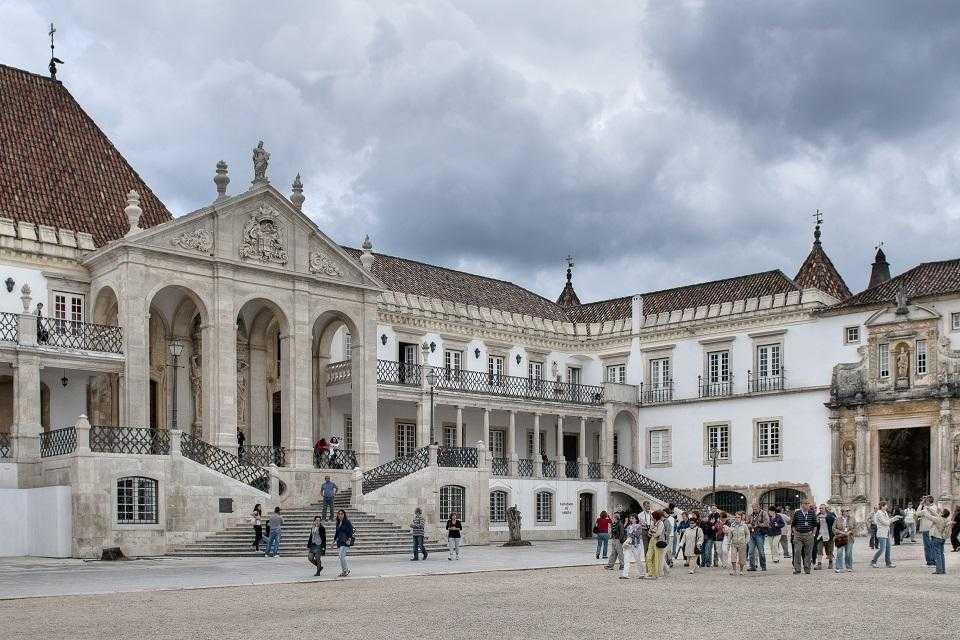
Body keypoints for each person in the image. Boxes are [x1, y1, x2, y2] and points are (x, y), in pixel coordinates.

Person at [870, 501, 900, 568]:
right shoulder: (879, 513)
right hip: (881, 533)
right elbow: (885, 523)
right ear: (882, 506)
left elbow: (888, 520)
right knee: (882, 549)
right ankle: (873, 561)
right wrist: (893, 520)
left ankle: (888, 563)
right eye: (886, 505)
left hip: (886, 533)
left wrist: (895, 518)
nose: (887, 507)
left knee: (888, 548)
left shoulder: (885, 512)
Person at [791, 499, 817, 574]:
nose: (807, 505)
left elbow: (815, 525)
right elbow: (793, 524)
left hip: (808, 535)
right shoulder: (797, 513)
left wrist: (813, 534)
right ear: (802, 504)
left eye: (808, 504)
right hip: (798, 535)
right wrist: (795, 533)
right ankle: (797, 569)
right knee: (797, 552)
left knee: (808, 553)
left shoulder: (812, 513)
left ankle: (807, 569)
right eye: (805, 503)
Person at [747, 503, 769, 572]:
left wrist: (758, 524)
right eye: (753, 509)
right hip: (752, 534)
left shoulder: (764, 513)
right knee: (750, 552)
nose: (754, 510)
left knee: (761, 551)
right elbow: (747, 522)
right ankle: (752, 566)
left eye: (755, 509)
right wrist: (749, 525)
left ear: (759, 508)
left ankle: (763, 566)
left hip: (760, 534)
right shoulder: (751, 515)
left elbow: (767, 523)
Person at [725, 512, 749, 576]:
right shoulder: (732, 525)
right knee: (733, 557)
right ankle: (734, 570)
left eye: (738, 517)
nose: (737, 518)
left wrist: (746, 542)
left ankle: (741, 570)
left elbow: (747, 534)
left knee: (742, 558)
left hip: (742, 543)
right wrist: (728, 543)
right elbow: (730, 535)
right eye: (736, 517)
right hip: (734, 544)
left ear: (741, 518)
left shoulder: (744, 525)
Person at [917, 495, 938, 568]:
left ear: (928, 501)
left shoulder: (927, 508)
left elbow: (917, 513)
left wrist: (920, 504)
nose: (924, 502)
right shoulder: (934, 506)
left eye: (925, 501)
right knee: (930, 545)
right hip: (930, 528)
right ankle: (931, 561)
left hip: (927, 529)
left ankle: (930, 562)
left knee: (928, 546)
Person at [814, 504, 836, 570]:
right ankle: (819, 564)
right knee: (819, 549)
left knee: (830, 550)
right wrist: (817, 521)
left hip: (829, 535)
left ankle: (830, 562)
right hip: (820, 535)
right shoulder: (818, 516)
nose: (820, 509)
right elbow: (815, 524)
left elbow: (833, 521)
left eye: (822, 508)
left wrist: (825, 517)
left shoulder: (830, 514)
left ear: (825, 509)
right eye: (820, 508)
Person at [929, 508, 950, 575]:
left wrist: (927, 509)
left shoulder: (938, 519)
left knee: (937, 554)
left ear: (943, 514)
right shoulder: (946, 520)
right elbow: (938, 514)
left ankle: (939, 570)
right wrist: (931, 509)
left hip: (937, 537)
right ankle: (943, 569)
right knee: (941, 554)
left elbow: (929, 516)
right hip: (942, 538)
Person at [645, 511, 667, 579]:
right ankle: (650, 572)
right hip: (652, 540)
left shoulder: (661, 523)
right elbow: (649, 532)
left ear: (655, 517)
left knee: (657, 558)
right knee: (648, 556)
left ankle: (656, 573)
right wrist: (652, 532)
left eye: (652, 516)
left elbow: (658, 533)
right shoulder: (652, 523)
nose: (651, 517)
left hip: (658, 541)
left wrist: (652, 532)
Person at [833, 507, 855, 573]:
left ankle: (849, 566)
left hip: (849, 537)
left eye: (848, 511)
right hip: (840, 537)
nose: (848, 512)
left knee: (848, 553)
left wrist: (850, 532)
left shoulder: (852, 519)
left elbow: (855, 528)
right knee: (839, 552)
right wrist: (841, 532)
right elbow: (833, 528)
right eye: (846, 511)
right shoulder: (837, 519)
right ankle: (839, 567)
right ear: (843, 512)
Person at [334, 509, 354, 577]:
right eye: (339, 514)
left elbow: (351, 531)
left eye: (341, 514)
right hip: (339, 541)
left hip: (345, 541)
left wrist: (349, 539)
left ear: (344, 514)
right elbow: (337, 533)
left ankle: (346, 570)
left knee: (341, 556)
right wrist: (333, 541)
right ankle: (344, 571)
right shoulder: (338, 522)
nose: (340, 515)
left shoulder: (347, 522)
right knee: (341, 557)